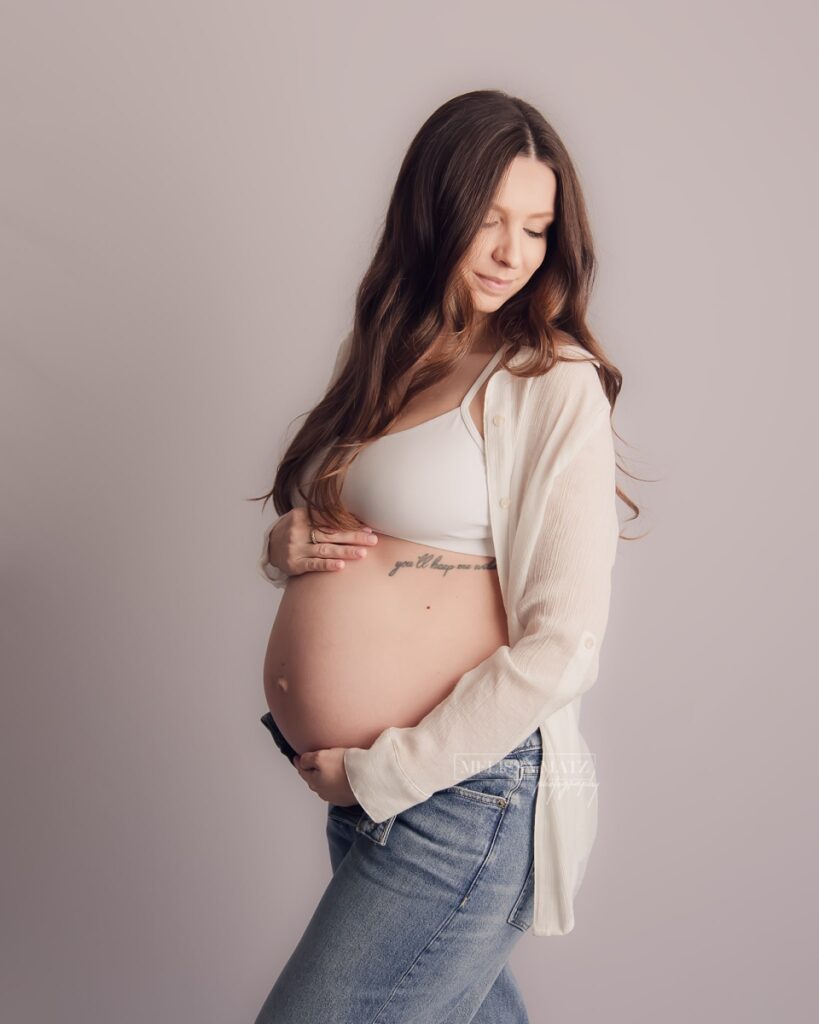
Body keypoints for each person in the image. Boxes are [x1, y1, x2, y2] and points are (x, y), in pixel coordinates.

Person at [249, 88, 638, 1024]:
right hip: (377, 794)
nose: (512, 252)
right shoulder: (391, 351)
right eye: (489, 220)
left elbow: (562, 647)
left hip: (461, 796)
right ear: (433, 212)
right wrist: (284, 545)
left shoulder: (552, 383)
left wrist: (382, 776)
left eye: (536, 229)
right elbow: (353, 524)